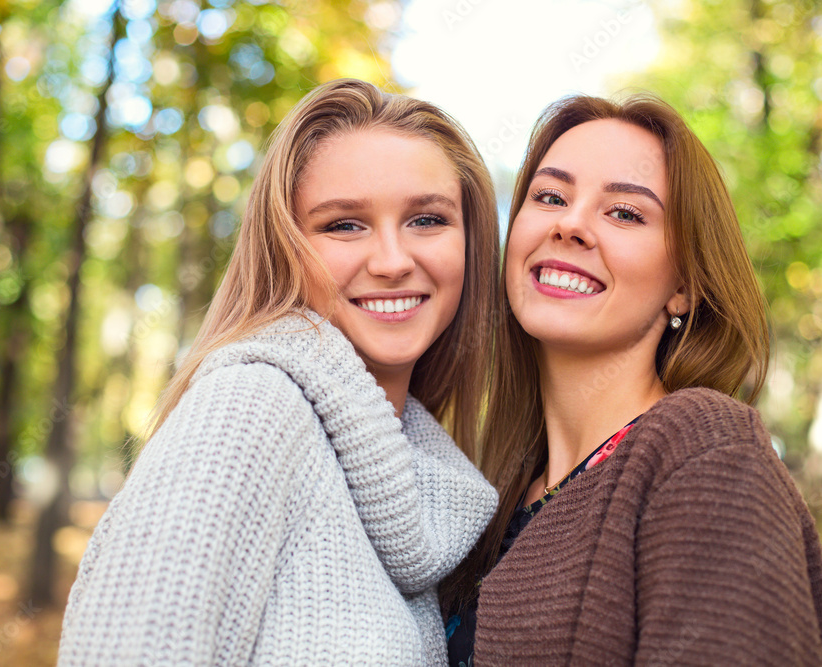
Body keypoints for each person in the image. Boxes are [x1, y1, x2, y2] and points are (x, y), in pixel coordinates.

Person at [57, 79, 500, 666]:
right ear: (285, 248)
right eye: (344, 224)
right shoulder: (249, 409)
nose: (393, 261)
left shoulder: (420, 467)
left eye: (426, 220)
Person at [443, 94, 822, 666]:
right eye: (550, 196)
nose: (570, 224)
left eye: (625, 212)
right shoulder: (490, 494)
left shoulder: (705, 451)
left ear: (684, 286)